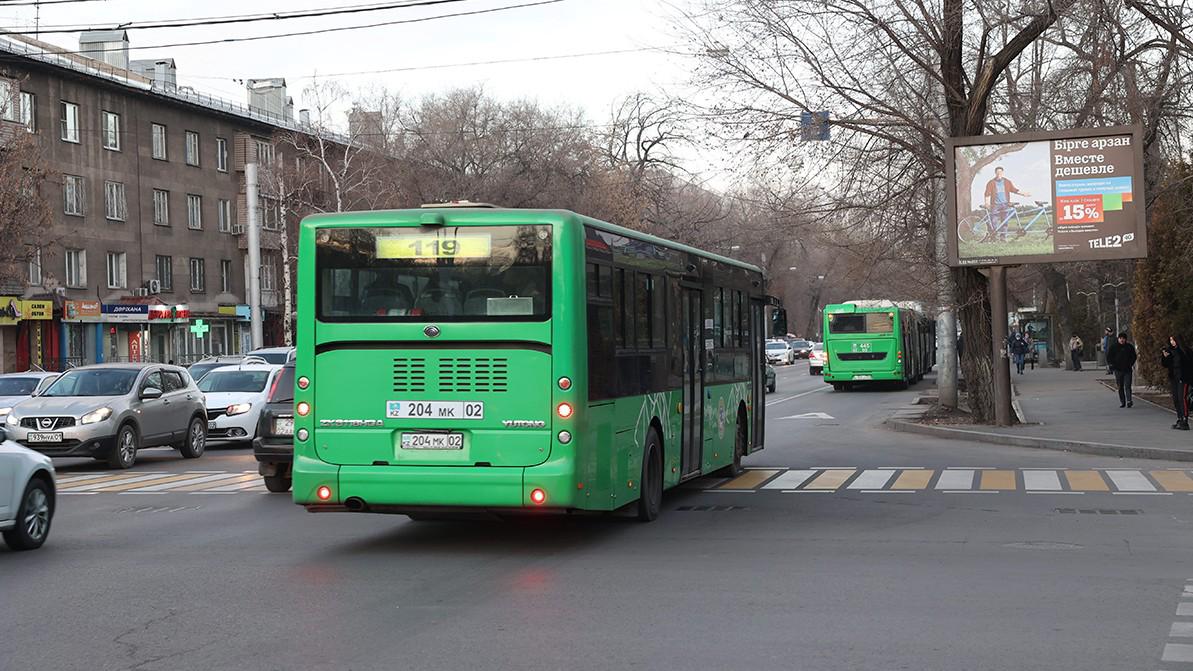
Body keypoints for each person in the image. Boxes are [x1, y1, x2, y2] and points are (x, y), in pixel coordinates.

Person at [983, 166, 1032, 240]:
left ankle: (1003, 238)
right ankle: (993, 237)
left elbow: (1014, 190)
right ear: (995, 173)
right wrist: (987, 203)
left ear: (1002, 173)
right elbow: (987, 193)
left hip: (1005, 204)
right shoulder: (991, 182)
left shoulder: (1007, 182)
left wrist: (1023, 194)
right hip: (995, 205)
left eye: (1000, 172)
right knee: (994, 221)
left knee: (1005, 221)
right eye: (997, 172)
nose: (999, 173)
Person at [1161, 335, 1193, 430]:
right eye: (1170, 340)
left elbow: (1189, 365)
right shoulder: (1170, 351)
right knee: (1175, 398)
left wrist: (1188, 377)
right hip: (1174, 377)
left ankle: (1185, 419)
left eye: (1173, 340)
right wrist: (1165, 357)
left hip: (1183, 377)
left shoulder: (1185, 351)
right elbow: (1165, 364)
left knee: (1181, 398)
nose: (1172, 342)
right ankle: (1179, 418)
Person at [1106, 332, 1137, 408]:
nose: (1122, 340)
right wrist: (1112, 365)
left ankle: (1129, 400)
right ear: (1118, 339)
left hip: (1127, 369)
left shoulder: (1129, 347)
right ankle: (1122, 401)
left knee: (1127, 385)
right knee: (1120, 386)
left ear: (1125, 339)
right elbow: (1109, 357)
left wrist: (1130, 364)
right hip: (1118, 370)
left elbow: (1133, 356)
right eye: (1120, 338)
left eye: (1123, 339)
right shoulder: (1113, 347)